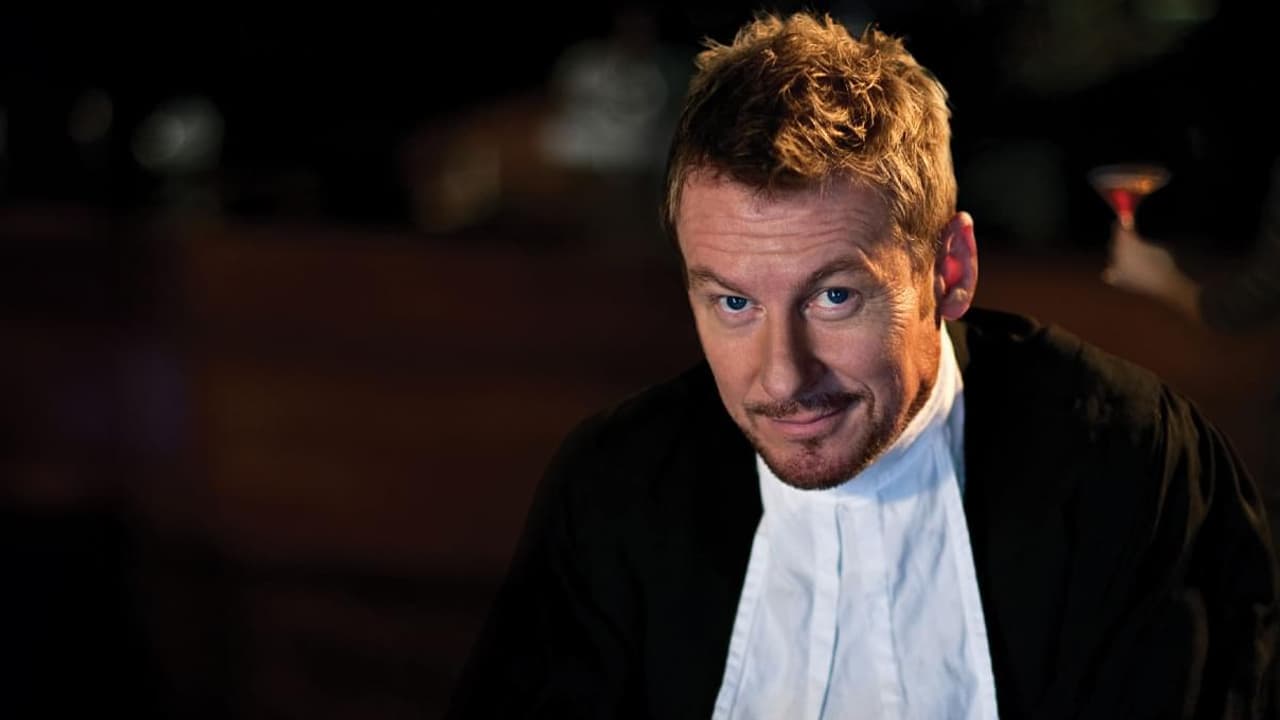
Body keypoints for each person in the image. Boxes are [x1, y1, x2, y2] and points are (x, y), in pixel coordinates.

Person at [448, 12, 1277, 718]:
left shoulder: (1132, 468)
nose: (781, 378)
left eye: (834, 296)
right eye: (734, 302)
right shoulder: (616, 488)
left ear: (950, 270)